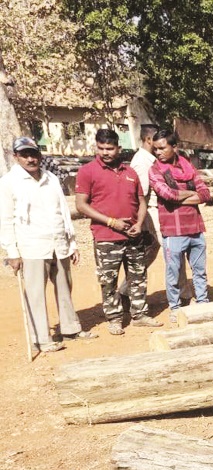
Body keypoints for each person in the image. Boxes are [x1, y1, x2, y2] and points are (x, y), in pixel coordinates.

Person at [0, 137, 93, 352]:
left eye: (34, 154)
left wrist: (72, 243)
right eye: (25, 155)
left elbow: (63, 210)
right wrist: (12, 252)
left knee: (64, 286)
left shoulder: (50, 177)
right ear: (16, 157)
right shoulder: (8, 183)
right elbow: (5, 220)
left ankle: (70, 329)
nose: (31, 159)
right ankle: (41, 338)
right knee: (35, 293)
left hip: (58, 242)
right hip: (31, 246)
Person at [75, 128, 161, 335]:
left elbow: (141, 202)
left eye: (110, 148)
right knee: (108, 280)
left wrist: (139, 224)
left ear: (118, 148)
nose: (105, 153)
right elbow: (81, 205)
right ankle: (114, 318)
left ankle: (139, 314)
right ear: (96, 147)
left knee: (138, 276)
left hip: (133, 236)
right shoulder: (87, 171)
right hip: (106, 237)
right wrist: (111, 222)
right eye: (101, 148)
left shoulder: (130, 172)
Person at [148, 128, 213, 322]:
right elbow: (167, 194)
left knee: (199, 270)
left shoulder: (187, 165)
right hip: (173, 230)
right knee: (173, 272)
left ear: (174, 147)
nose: (158, 152)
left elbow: (205, 194)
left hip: (195, 228)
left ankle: (203, 302)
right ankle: (175, 308)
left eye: (162, 148)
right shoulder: (155, 170)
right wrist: (190, 195)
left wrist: (178, 197)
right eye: (155, 149)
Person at [124, 123, 188, 301]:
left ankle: (124, 291)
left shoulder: (153, 159)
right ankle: (183, 295)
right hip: (153, 213)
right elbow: (141, 195)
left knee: (149, 254)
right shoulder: (142, 162)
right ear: (149, 140)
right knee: (174, 252)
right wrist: (141, 223)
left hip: (161, 211)